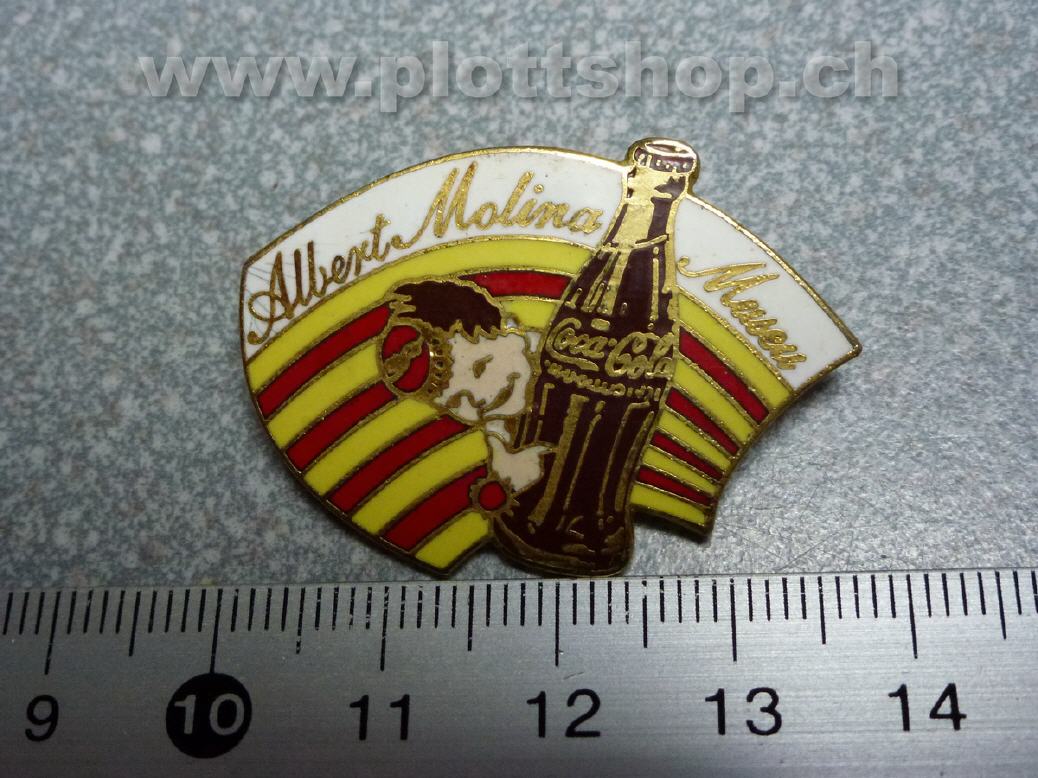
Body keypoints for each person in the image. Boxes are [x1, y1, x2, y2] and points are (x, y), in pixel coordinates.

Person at [379, 279, 548, 504]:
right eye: (456, 402)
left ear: (510, 326)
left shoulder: (578, 343)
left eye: (480, 367)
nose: (479, 399)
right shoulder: (507, 454)